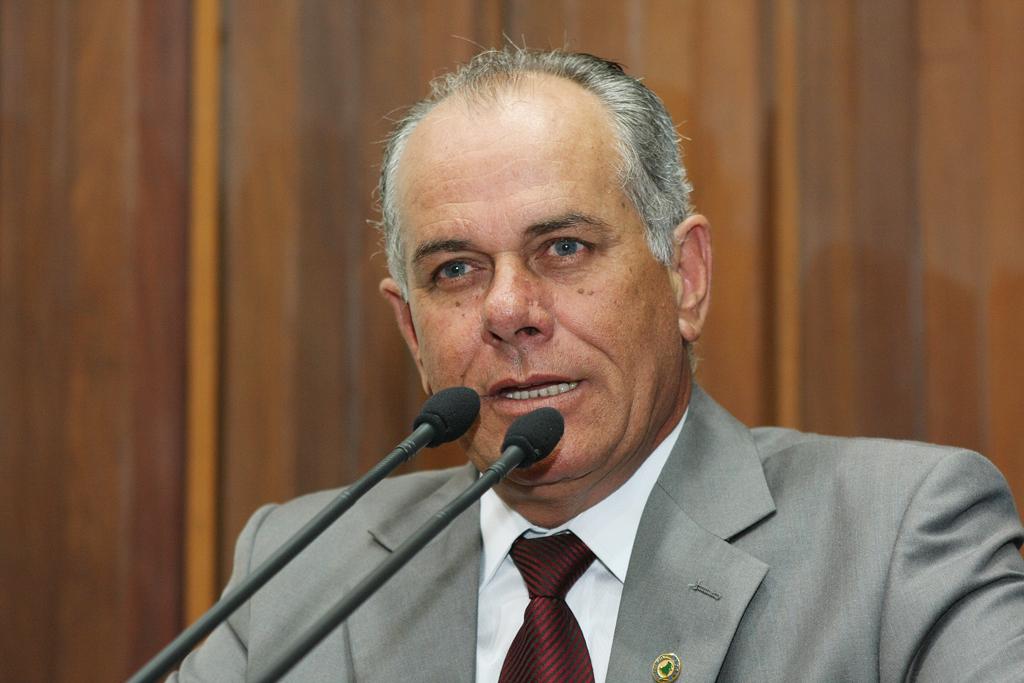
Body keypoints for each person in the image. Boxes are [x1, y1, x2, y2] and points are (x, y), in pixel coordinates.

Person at [172, 48, 1024, 682]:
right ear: (410, 329)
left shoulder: (897, 542)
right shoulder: (302, 573)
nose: (508, 310)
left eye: (564, 247)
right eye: (456, 269)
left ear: (685, 277)